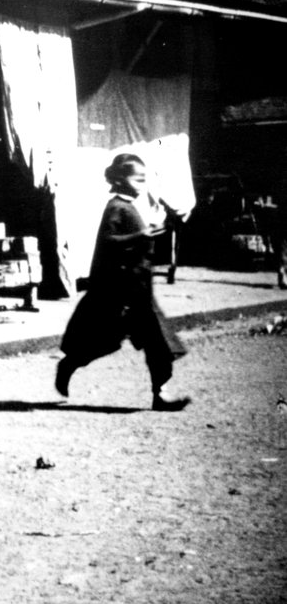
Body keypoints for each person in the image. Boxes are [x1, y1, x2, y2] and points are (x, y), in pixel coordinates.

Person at [55, 153, 190, 411]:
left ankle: (160, 394)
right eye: (136, 178)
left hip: (140, 289)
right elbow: (108, 241)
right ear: (119, 180)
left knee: (158, 341)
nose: (142, 182)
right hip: (120, 291)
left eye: (144, 179)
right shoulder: (117, 206)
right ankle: (69, 365)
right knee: (105, 341)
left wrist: (157, 228)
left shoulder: (129, 205)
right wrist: (141, 235)